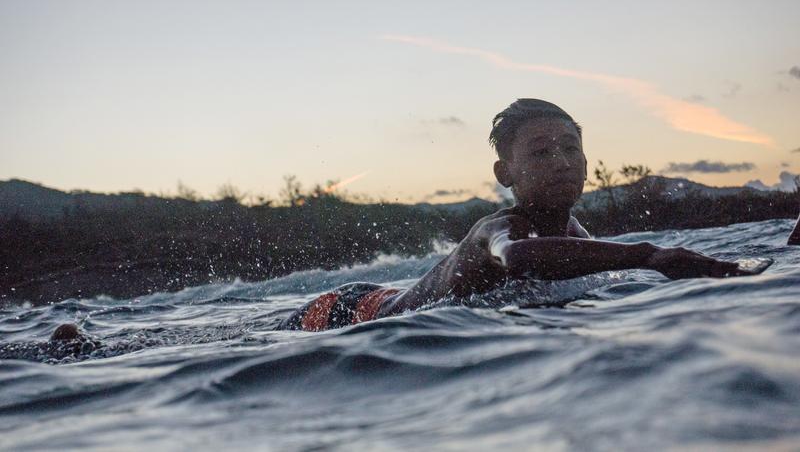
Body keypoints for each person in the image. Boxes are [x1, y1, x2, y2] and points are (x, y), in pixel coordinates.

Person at [278, 99, 761, 332]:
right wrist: (650, 254)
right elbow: (518, 259)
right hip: (349, 311)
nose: (562, 162)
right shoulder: (497, 231)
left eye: (571, 149)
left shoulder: (574, 233)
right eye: (542, 153)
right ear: (505, 172)